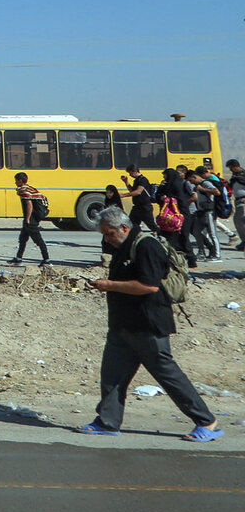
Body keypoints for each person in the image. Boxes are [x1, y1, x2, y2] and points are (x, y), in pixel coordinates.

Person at [77, 207, 223, 441]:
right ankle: (108, 421)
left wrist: (110, 285)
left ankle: (206, 421)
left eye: (108, 234)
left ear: (123, 228)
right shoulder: (123, 246)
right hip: (122, 325)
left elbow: (149, 286)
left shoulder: (146, 246)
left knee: (168, 376)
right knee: (112, 376)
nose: (106, 239)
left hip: (148, 325)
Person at [155, 167, 196, 268]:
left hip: (179, 216)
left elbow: (172, 199)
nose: (164, 177)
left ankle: (190, 259)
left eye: (165, 175)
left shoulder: (174, 186)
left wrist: (162, 194)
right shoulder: (171, 184)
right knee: (172, 237)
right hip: (173, 216)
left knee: (182, 237)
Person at [12, 172, 49, 266]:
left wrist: (27, 219)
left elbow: (29, 205)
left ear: (20, 181)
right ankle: (18, 258)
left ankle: (46, 260)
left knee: (38, 240)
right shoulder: (31, 189)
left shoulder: (25, 191)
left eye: (16, 181)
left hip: (31, 219)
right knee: (23, 239)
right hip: (32, 218)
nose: (15, 183)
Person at [187, 167, 222, 262]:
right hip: (201, 212)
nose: (191, 183)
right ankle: (201, 252)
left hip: (209, 212)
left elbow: (217, 192)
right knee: (196, 232)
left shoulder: (205, 183)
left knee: (212, 234)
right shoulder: (198, 185)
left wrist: (202, 189)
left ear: (194, 177)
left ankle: (217, 255)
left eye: (191, 180)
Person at [118, 164, 157, 233]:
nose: (130, 175)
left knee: (151, 225)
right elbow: (132, 191)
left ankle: (162, 236)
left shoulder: (143, 179)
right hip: (137, 207)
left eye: (130, 173)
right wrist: (126, 182)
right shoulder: (136, 180)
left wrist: (124, 195)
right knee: (131, 225)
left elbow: (138, 192)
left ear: (135, 171)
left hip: (144, 207)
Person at [228, 159, 245, 250]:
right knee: (238, 222)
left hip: (243, 201)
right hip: (238, 201)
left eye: (231, 168)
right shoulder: (235, 176)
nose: (230, 170)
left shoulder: (242, 175)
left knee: (240, 220)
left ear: (236, 167)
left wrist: (238, 179)